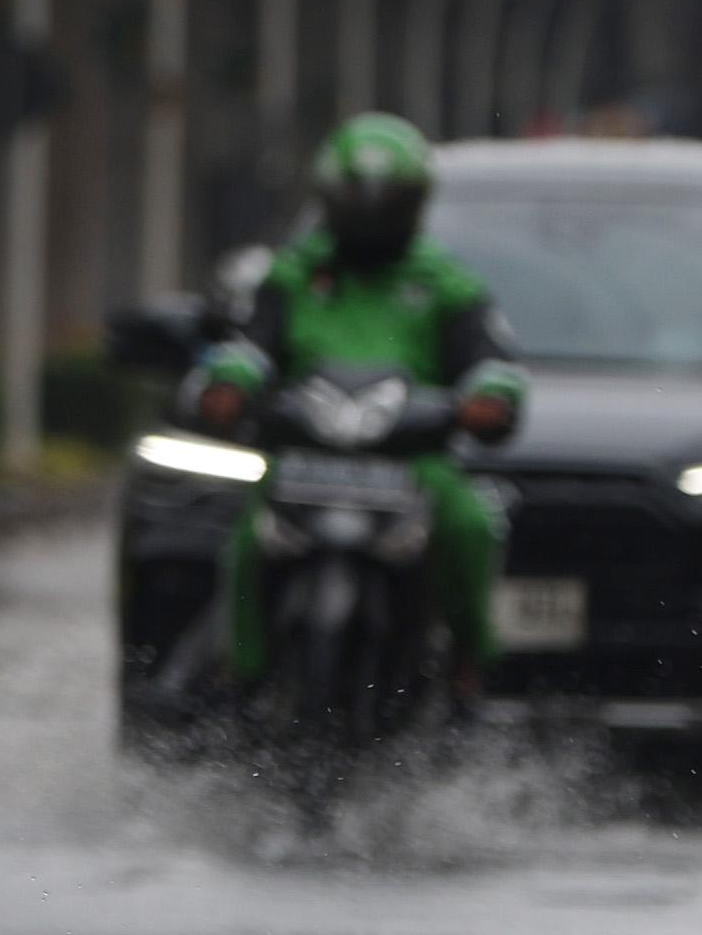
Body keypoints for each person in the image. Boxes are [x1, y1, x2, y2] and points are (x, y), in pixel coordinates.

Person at [188, 113, 524, 690]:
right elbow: (250, 346)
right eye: (357, 197)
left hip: (411, 463)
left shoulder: (446, 281)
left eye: (386, 199)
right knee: (247, 537)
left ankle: (471, 658)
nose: (370, 212)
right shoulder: (293, 273)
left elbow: (491, 363)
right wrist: (228, 386)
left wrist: (489, 399)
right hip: (304, 458)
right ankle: (241, 668)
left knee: (469, 524)